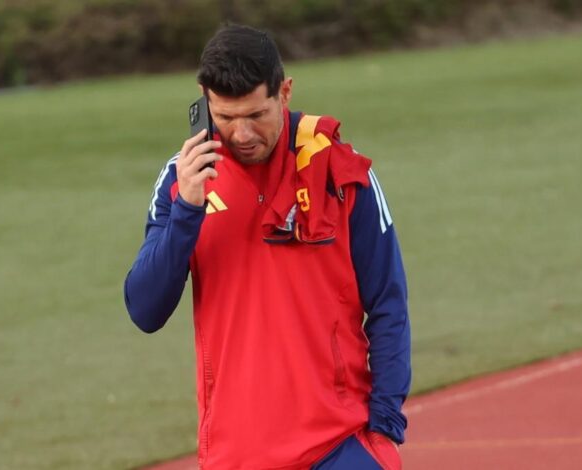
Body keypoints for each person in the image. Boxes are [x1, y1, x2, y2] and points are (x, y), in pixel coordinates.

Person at [124, 24, 410, 470]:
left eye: (257, 115)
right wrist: (187, 210)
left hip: (339, 447)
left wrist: (384, 425)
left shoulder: (340, 170)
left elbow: (388, 301)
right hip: (237, 455)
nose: (241, 134)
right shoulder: (182, 181)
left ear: (285, 92)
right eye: (225, 117)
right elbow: (145, 310)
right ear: (203, 99)